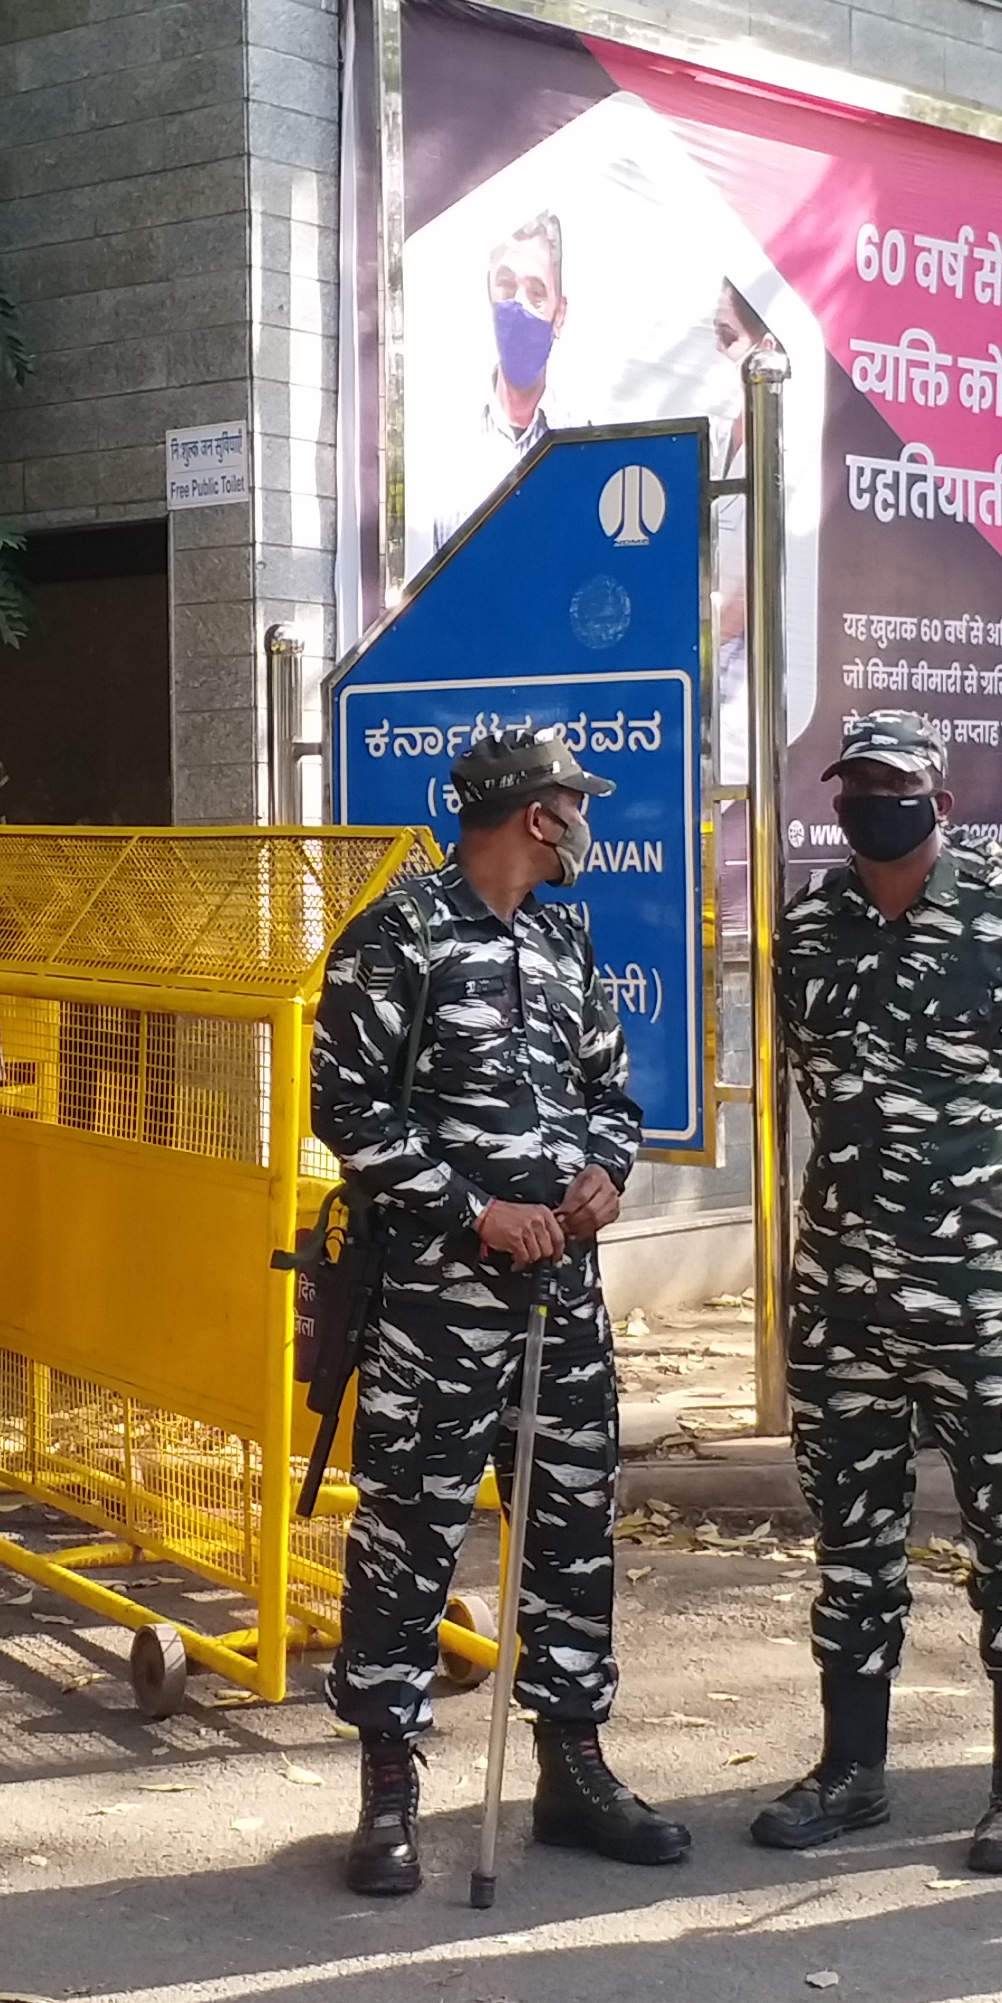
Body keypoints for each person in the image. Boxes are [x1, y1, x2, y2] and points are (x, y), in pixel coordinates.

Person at [310, 725, 686, 1899]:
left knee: (571, 1532)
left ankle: (573, 1767)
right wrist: (475, 1211)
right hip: (437, 1308)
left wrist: (606, 1174)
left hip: (563, 1301)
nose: (585, 823)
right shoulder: (400, 936)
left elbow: (613, 1093)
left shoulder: (568, 938)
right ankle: (389, 1787)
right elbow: (347, 1113)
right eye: (576, 805)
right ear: (538, 816)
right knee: (408, 1538)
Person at [750, 713, 1002, 1874]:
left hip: (977, 1292)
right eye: (853, 787)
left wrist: (984, 1227)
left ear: (939, 798)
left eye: (893, 785)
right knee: (853, 1536)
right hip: (842, 1291)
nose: (868, 803)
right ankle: (852, 1772)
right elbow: (808, 1081)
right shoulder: (808, 927)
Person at [485, 210, 570, 453]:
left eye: (536, 293)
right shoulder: (448, 433)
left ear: (560, 317)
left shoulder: (581, 437)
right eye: (506, 285)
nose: (519, 304)